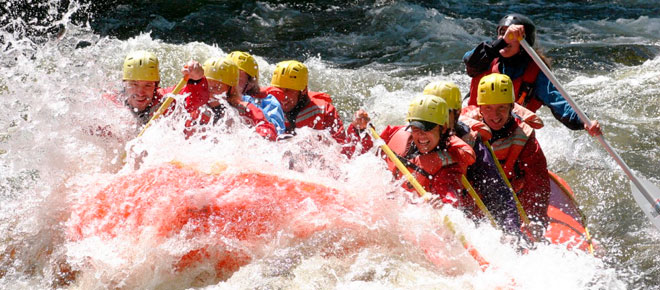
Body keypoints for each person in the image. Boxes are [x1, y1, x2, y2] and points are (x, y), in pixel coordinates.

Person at [463, 13, 602, 136]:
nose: (507, 38)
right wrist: (503, 41)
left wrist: (583, 120)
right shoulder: (485, 57)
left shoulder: (536, 72)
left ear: (525, 42)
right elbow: (470, 62)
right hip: (475, 125)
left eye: (512, 36)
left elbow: (558, 101)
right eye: (503, 33)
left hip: (509, 131)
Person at [422, 81, 521, 233]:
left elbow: (498, 193)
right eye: (430, 112)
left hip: (463, 212)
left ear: (457, 113)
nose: (435, 119)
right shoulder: (415, 135)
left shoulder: (472, 145)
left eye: (443, 112)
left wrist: (510, 231)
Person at [462, 73, 551, 240]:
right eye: (488, 108)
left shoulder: (523, 134)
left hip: (510, 198)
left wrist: (535, 218)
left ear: (511, 107)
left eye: (501, 107)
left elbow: (537, 181)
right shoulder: (463, 128)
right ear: (479, 108)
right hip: (474, 198)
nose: (495, 115)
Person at [372, 94, 476, 206]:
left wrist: (443, 203)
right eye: (416, 127)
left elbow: (450, 194)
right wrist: (358, 129)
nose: (421, 134)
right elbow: (363, 153)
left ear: (443, 128)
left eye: (428, 128)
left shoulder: (446, 167)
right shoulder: (396, 134)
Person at [264, 60, 371, 155]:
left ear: (303, 91)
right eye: (278, 90)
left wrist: (358, 130)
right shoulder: (265, 105)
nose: (282, 97)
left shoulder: (324, 111)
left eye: (289, 90)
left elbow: (344, 153)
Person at [202, 57, 277, 141]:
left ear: (231, 89)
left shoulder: (246, 110)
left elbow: (267, 128)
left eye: (216, 87)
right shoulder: (195, 108)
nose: (210, 91)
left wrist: (258, 138)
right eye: (205, 86)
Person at [226, 51, 286, 135]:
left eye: (237, 80)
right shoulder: (213, 94)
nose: (229, 82)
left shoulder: (267, 102)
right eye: (226, 77)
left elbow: (277, 132)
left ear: (250, 84)